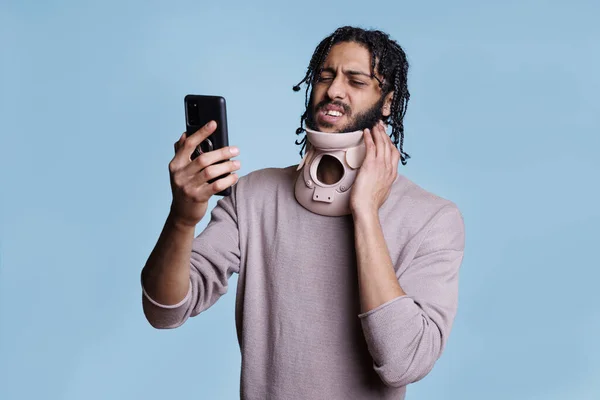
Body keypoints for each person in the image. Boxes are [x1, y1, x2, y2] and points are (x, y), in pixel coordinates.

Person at [140, 26, 465, 399]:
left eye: (356, 81)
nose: (333, 90)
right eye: (325, 76)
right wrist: (182, 218)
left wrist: (365, 212)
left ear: (387, 101)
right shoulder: (253, 196)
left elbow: (404, 363)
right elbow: (164, 311)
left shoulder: (433, 219)